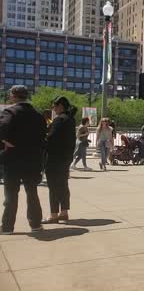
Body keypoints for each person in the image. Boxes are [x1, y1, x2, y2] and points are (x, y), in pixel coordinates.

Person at [0, 85, 46, 234]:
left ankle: (7, 227)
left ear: (14, 95)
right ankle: (36, 224)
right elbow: (42, 139)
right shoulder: (38, 115)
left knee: (11, 194)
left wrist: (6, 142)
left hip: (13, 159)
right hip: (32, 160)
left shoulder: (10, 112)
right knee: (32, 193)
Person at [43, 96, 76, 224]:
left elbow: (50, 140)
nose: (53, 108)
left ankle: (53, 214)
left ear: (60, 106)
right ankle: (64, 212)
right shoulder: (70, 119)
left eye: (54, 106)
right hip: (66, 158)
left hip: (54, 158)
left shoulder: (59, 120)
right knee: (63, 185)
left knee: (53, 186)